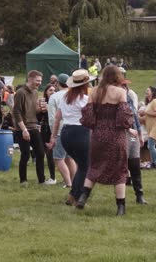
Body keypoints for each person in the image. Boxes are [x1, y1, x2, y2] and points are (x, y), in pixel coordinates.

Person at [74, 65, 134, 216]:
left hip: (98, 136)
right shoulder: (121, 92)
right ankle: (121, 208)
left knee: (94, 167)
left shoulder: (94, 91)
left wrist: (97, 125)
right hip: (116, 136)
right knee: (120, 171)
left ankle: (83, 197)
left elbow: (88, 117)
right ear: (117, 76)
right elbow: (123, 118)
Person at [50, 69, 93, 205]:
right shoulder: (85, 100)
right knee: (84, 166)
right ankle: (75, 196)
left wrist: (53, 137)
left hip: (65, 133)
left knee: (81, 165)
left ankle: (73, 195)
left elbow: (57, 118)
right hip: (80, 132)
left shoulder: (65, 98)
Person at [13, 70, 47, 186]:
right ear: (31, 79)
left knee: (41, 153)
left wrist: (42, 110)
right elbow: (16, 112)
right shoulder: (20, 93)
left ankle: (41, 180)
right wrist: (24, 130)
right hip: (22, 129)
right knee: (26, 154)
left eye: (40, 81)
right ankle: (23, 180)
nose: (39, 83)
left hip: (33, 126)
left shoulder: (36, 92)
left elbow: (32, 111)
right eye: (38, 80)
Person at [120, 79, 147, 204]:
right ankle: (121, 198)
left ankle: (139, 195)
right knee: (121, 165)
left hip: (133, 135)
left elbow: (134, 116)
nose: (126, 88)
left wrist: (140, 134)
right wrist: (128, 129)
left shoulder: (129, 99)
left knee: (135, 163)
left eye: (126, 86)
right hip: (121, 134)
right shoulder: (114, 102)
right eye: (123, 86)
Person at [47, 73, 75, 189]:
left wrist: (52, 134)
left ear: (58, 83)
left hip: (60, 131)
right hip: (74, 130)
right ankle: (74, 182)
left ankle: (68, 183)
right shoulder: (74, 95)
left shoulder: (54, 97)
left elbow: (53, 118)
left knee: (58, 158)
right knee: (70, 158)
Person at [37, 84, 60, 185]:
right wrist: (40, 109)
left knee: (52, 155)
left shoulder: (57, 102)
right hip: (44, 129)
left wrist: (49, 109)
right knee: (44, 153)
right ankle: (43, 178)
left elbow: (58, 117)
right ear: (46, 92)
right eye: (50, 90)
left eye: (54, 90)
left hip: (54, 129)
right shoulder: (42, 102)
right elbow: (38, 117)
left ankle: (53, 178)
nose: (53, 92)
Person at [139, 86, 156, 169]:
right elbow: (145, 119)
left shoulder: (155, 101)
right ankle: (154, 163)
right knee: (150, 146)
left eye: (148, 90)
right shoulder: (149, 104)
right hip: (152, 128)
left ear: (152, 93)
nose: (146, 91)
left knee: (150, 146)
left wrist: (145, 112)